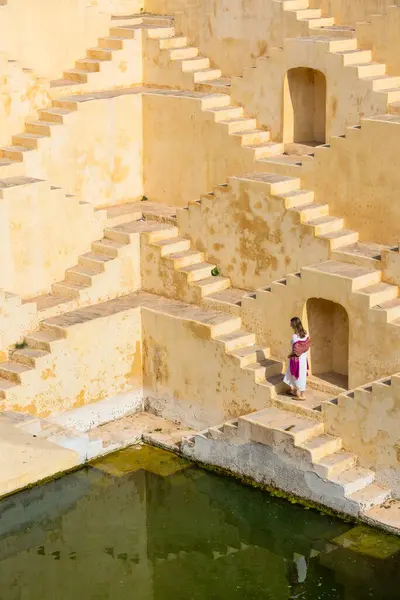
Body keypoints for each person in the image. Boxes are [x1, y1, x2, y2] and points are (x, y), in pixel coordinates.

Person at [283, 317, 310, 400]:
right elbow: (307, 346)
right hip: (303, 358)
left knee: (297, 375)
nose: (290, 325)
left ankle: (301, 395)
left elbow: (295, 350)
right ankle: (295, 391)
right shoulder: (305, 334)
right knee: (298, 374)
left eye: (291, 323)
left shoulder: (295, 336)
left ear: (294, 324)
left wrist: (289, 355)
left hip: (296, 359)